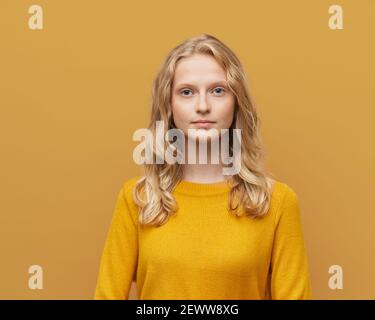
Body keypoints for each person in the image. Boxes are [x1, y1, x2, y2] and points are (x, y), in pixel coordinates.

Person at [94, 34, 313, 300]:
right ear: (169, 105)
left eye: (218, 90)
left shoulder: (277, 202)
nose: (202, 106)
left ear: (236, 102)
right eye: (187, 92)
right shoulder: (136, 199)